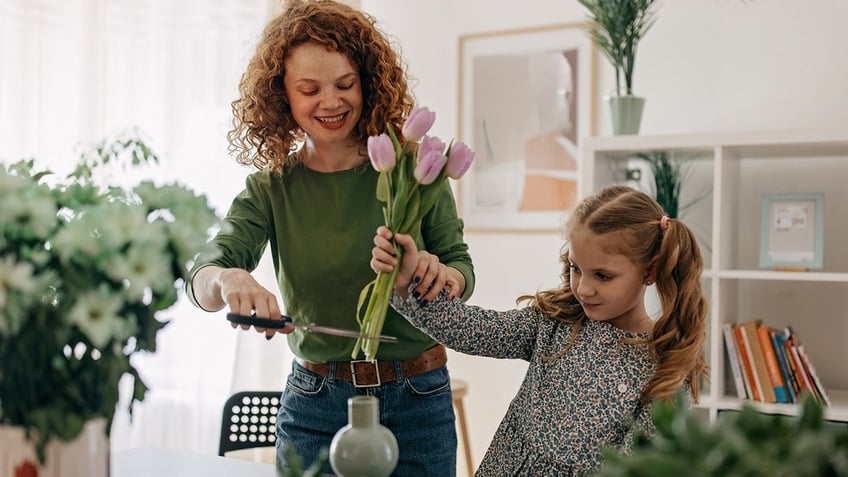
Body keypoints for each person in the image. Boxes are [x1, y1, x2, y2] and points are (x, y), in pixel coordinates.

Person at [185, 1, 475, 475]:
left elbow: (462, 269)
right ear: (282, 96)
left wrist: (439, 276)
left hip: (417, 399)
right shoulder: (272, 187)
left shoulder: (415, 169)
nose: (331, 102)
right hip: (316, 405)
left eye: (344, 84)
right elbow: (204, 272)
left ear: (367, 82)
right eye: (309, 89)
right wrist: (227, 279)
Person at [371, 185, 708, 476]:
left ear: (649, 272)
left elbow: (638, 468)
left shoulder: (663, 368)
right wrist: (408, 283)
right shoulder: (557, 322)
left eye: (602, 276)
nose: (584, 288)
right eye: (577, 269)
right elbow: (471, 329)